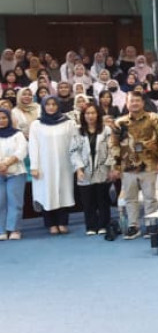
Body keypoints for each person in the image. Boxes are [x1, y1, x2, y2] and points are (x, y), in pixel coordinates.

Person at [110, 90, 158, 240]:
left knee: (150, 198)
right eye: (131, 101)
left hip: (149, 164)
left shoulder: (154, 119)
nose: (134, 103)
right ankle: (133, 226)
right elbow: (114, 145)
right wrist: (115, 166)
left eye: (137, 100)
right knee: (130, 198)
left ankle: (150, 225)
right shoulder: (119, 123)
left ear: (143, 102)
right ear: (126, 103)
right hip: (127, 166)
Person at [29, 96, 76, 234]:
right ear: (43, 106)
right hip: (44, 165)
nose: (51, 107)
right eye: (48, 104)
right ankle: (51, 224)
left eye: (54, 104)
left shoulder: (68, 123)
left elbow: (74, 144)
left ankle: (62, 222)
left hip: (64, 164)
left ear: (58, 106)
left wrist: (75, 164)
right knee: (47, 193)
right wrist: (34, 166)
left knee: (63, 192)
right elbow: (33, 146)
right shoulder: (36, 125)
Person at [69, 102, 116, 236]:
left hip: (102, 169)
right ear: (83, 116)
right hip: (85, 170)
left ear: (98, 114)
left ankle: (103, 225)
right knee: (87, 200)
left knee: (103, 199)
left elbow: (112, 149)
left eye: (93, 113)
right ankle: (91, 226)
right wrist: (79, 169)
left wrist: (111, 167)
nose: (90, 116)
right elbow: (74, 151)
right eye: (87, 113)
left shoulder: (106, 130)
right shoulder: (77, 131)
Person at [0, 108, 28, 239]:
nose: (1, 120)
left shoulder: (18, 134)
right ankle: (2, 230)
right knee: (0, 202)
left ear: (9, 119)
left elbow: (22, 151)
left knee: (15, 201)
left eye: (4, 118)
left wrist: (6, 163)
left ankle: (14, 229)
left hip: (16, 172)